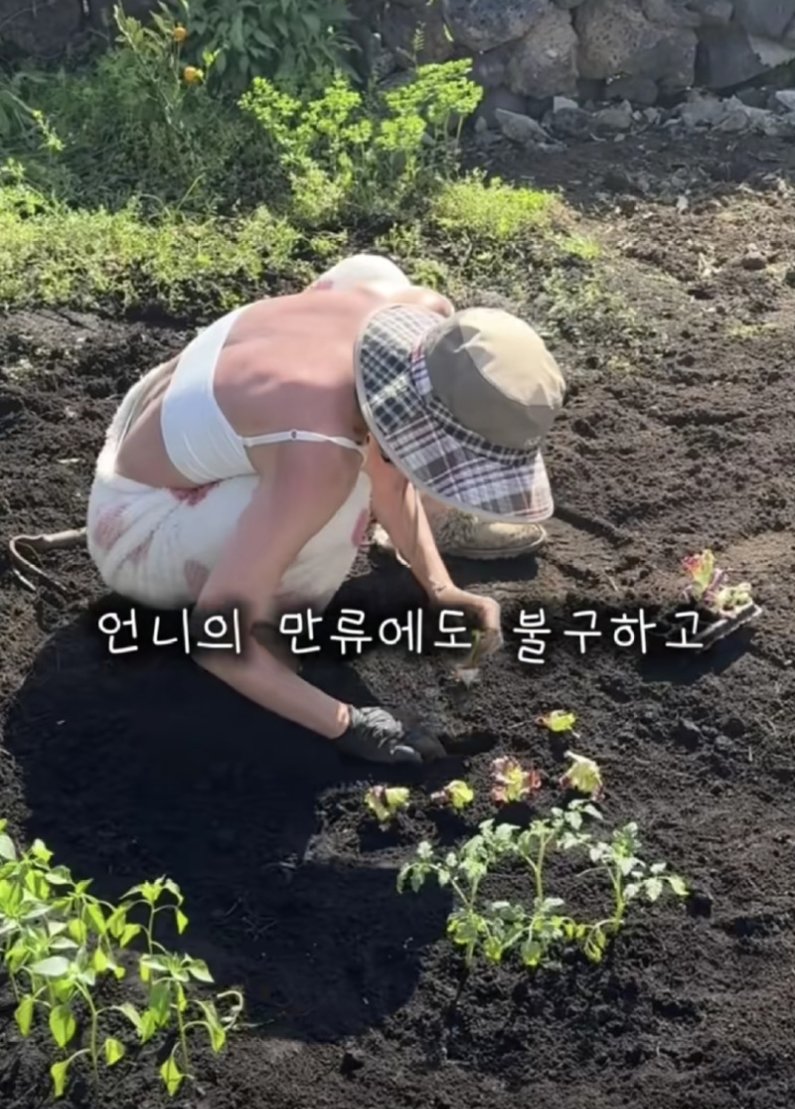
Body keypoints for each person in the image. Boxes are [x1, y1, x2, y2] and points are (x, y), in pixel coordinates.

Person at [85, 254, 565, 765]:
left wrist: (441, 588)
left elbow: (388, 465)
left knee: (373, 273)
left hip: (168, 404)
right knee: (341, 487)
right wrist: (347, 722)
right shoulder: (321, 455)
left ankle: (275, 532)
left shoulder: (421, 312)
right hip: (134, 525)